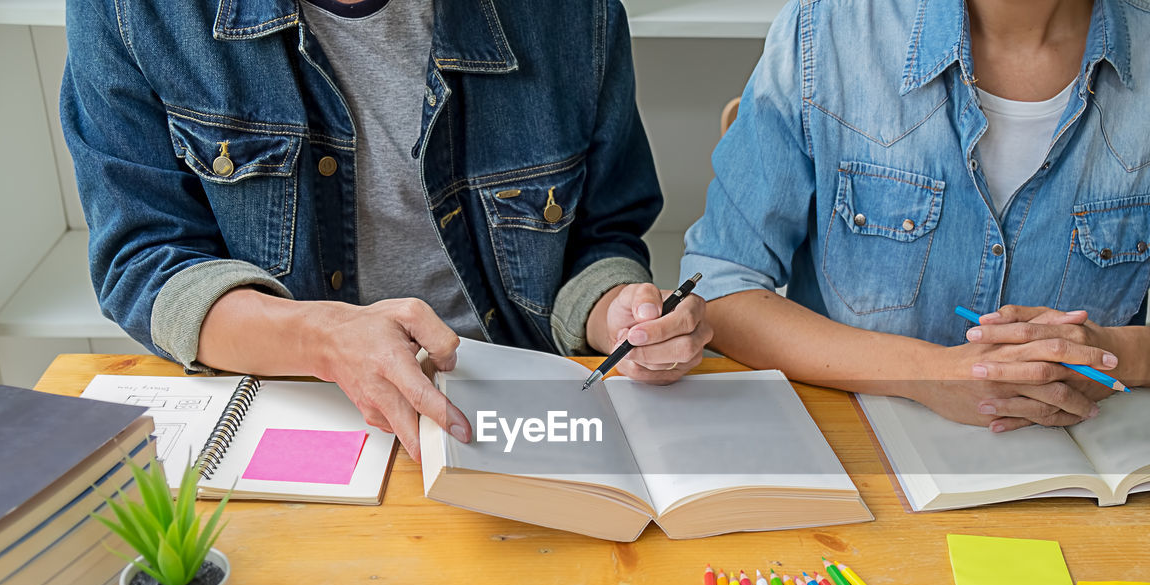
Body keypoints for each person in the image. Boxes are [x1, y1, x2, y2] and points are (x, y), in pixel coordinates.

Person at [61, 0, 711, 461]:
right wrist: (322, 340)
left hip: (515, 417)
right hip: (296, 406)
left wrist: (618, 313)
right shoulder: (132, 12)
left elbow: (604, 234)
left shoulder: (572, 15)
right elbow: (143, 258)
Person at [683, 0, 1150, 432]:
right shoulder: (823, 33)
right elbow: (722, 287)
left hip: (1079, 462)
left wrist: (1108, 353)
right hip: (853, 449)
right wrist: (930, 373)